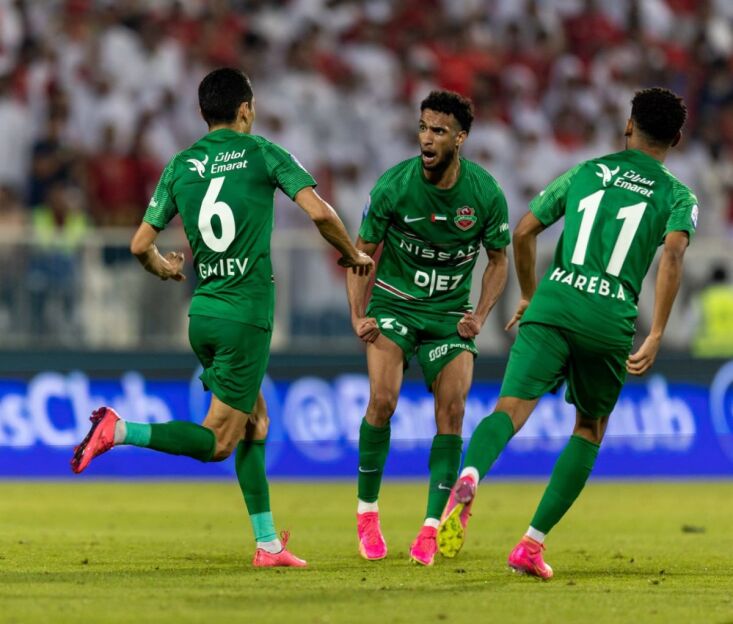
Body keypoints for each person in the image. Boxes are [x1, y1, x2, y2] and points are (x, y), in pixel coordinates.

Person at [70, 67, 373, 568]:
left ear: (202, 112)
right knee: (217, 442)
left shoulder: (180, 164)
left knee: (256, 421)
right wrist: (352, 254)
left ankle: (268, 545)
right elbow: (321, 213)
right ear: (246, 109)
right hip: (245, 317)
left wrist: (165, 268)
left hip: (203, 314)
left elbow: (139, 244)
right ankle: (120, 430)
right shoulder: (262, 152)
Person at [437, 87, 697, 579]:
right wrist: (658, 331)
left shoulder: (586, 172)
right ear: (677, 140)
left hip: (554, 300)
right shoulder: (679, 196)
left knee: (508, 410)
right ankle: (530, 545)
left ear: (628, 126)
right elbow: (674, 253)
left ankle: (470, 473)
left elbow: (523, 231)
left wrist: (529, 294)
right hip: (609, 315)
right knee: (589, 428)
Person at [347, 90, 510, 566]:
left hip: (448, 314)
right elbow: (361, 254)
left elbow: (499, 261)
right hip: (394, 304)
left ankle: (431, 527)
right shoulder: (393, 186)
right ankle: (367, 513)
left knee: (452, 413)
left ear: (460, 138)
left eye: (439, 130)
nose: (427, 138)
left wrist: (481, 315)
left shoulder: (484, 193)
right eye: (423, 127)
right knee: (383, 401)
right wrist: (358, 313)